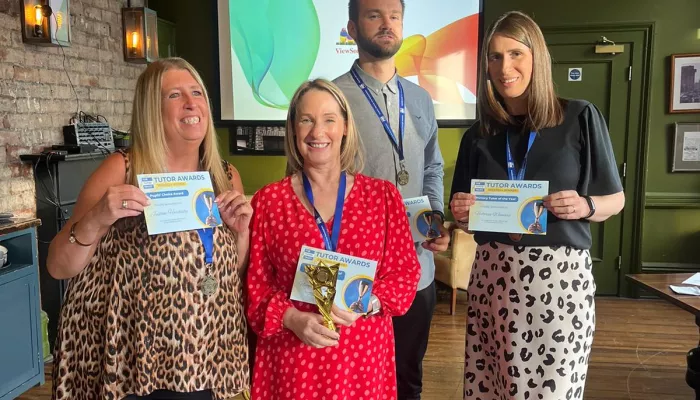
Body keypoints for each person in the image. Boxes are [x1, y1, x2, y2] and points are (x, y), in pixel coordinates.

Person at [47, 58, 251, 400]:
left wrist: (241, 232)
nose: (191, 103)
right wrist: (98, 216)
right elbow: (57, 265)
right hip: (134, 360)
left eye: (197, 92)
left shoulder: (224, 176)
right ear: (150, 110)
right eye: (174, 95)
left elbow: (231, 273)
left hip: (201, 357)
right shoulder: (123, 169)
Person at [449, 11, 625, 400]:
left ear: (537, 57)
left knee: (553, 392)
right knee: (491, 389)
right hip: (493, 280)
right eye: (494, 57)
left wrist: (585, 206)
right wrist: (461, 214)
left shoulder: (579, 116)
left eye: (515, 54)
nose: (504, 67)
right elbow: (463, 215)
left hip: (559, 284)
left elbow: (616, 199)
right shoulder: (479, 133)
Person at [246, 78, 421, 399]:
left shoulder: (382, 197)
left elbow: (405, 276)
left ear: (344, 127)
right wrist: (292, 318)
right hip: (293, 363)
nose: (318, 132)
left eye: (328, 119)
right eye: (306, 120)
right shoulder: (269, 201)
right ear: (293, 129)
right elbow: (256, 289)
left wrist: (368, 301)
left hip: (361, 360)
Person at [333, 1, 450, 398]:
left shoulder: (419, 99)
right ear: (352, 28)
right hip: (359, 274)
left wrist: (435, 217)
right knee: (356, 379)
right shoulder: (333, 98)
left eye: (394, 16)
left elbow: (432, 167)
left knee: (408, 379)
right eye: (374, 15)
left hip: (418, 271)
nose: (387, 24)